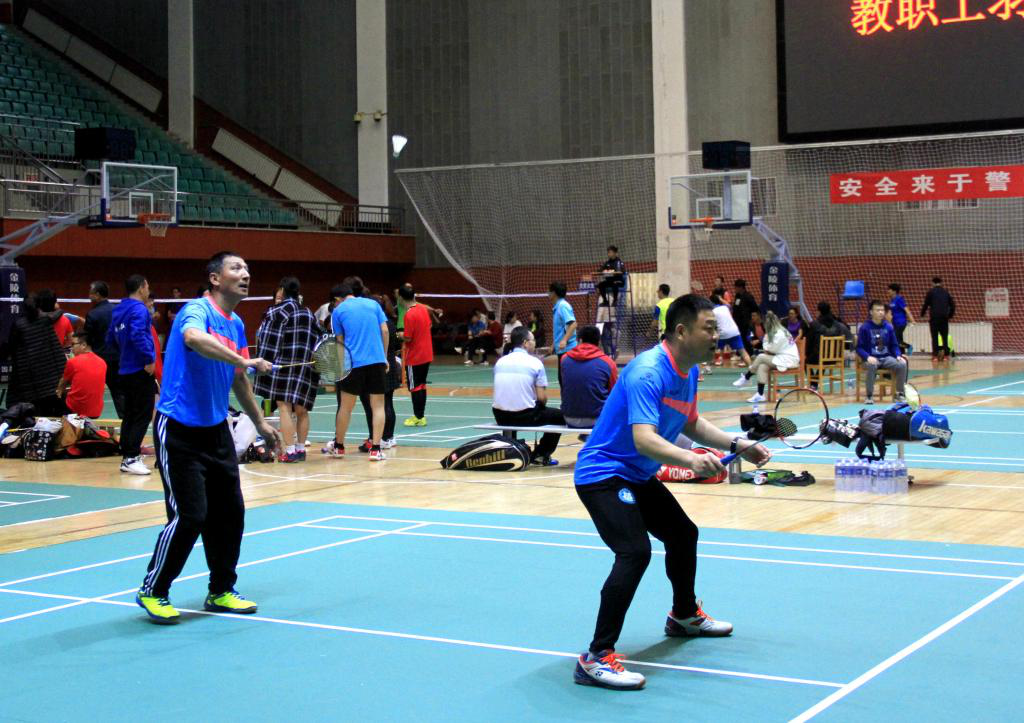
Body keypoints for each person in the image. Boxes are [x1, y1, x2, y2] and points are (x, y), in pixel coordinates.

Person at [572, 294, 770, 690]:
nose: (716, 336)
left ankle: (683, 616)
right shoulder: (648, 372)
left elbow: (691, 422)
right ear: (681, 331)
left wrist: (736, 443)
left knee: (683, 534)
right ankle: (595, 657)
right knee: (634, 551)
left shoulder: (689, 371)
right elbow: (644, 439)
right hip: (603, 474)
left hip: (635, 474)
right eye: (708, 329)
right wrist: (690, 460)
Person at [136, 251, 281, 624]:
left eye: (247, 268)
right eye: (236, 268)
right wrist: (241, 359)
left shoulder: (236, 324)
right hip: (178, 427)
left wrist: (261, 424)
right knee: (190, 516)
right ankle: (153, 590)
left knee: (231, 513)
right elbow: (193, 338)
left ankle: (221, 590)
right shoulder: (196, 310)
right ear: (215, 278)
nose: (245, 274)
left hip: (216, 429)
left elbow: (239, 379)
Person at [253, 277, 320, 463]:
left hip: (283, 366)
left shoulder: (277, 311)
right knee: (302, 410)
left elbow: (269, 340)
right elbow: (319, 340)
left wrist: (261, 364)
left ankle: (289, 451)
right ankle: (300, 449)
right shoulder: (309, 313)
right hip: (306, 367)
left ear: (282, 290)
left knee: (284, 407)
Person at [329, 280, 389, 461]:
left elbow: (339, 341)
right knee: (378, 406)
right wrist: (384, 356)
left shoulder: (338, 311)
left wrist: (340, 366)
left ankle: (339, 447)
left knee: (345, 407)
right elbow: (385, 331)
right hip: (376, 361)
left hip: (352, 364)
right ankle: (376, 450)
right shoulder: (373, 304)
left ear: (337, 299)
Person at [106, 275, 157, 476]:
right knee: (142, 414)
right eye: (147, 286)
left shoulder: (119, 309)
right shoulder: (139, 310)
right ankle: (132, 457)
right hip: (139, 369)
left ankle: (127, 456)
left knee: (130, 414)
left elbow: (110, 338)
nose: (148, 290)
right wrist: (148, 359)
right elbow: (138, 334)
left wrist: (124, 355)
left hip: (124, 370)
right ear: (142, 287)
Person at [491, 327, 564, 466]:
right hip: (525, 416)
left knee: (514, 407)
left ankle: (511, 448)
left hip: (499, 416)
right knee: (559, 416)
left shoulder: (500, 362)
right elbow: (542, 398)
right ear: (525, 343)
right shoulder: (535, 362)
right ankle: (541, 454)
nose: (535, 343)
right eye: (533, 340)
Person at [6, 289, 67, 416]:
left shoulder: (19, 324)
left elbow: (11, 347)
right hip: (50, 377)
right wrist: (59, 309)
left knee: (33, 411)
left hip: (29, 377)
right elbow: (56, 314)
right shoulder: (46, 319)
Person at [359, 296, 401, 450]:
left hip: (380, 365)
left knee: (377, 405)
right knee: (388, 403)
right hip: (390, 364)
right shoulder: (390, 323)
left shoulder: (377, 325)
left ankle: (378, 438)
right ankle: (388, 437)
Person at [732, 310, 800, 403]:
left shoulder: (779, 334)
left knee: (761, 357)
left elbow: (769, 349)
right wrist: (766, 340)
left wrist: (765, 338)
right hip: (783, 357)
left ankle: (747, 377)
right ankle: (760, 394)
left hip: (789, 360)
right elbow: (769, 349)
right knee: (762, 366)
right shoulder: (780, 331)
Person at [560, 325, 618, 428]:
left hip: (569, 418)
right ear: (598, 342)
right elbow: (614, 393)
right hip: (598, 419)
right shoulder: (608, 362)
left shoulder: (564, 359)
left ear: (580, 340)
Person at [84, 281, 124, 417]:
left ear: (97, 295)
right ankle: (124, 420)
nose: (89, 295)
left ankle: (89, 422)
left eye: (90, 293)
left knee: (92, 393)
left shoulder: (92, 314)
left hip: (99, 360)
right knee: (119, 392)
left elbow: (87, 339)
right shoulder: (118, 310)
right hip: (119, 358)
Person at [857, 299, 908, 404]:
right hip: (871, 359)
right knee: (871, 365)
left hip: (886, 358)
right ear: (871, 312)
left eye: (882, 310)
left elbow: (894, 345)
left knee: (902, 364)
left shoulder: (888, 327)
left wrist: (898, 355)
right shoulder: (865, 327)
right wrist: (867, 357)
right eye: (877, 310)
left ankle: (900, 394)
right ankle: (869, 396)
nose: (881, 312)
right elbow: (859, 348)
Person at [400, 285, 433, 427]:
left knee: (415, 387)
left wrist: (399, 335)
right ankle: (421, 416)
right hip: (427, 353)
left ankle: (418, 417)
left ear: (401, 298)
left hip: (415, 356)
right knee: (422, 385)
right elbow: (429, 325)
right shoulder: (423, 309)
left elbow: (408, 338)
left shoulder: (409, 314)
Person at [56, 331, 107, 418]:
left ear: (83, 345)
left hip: (76, 410)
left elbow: (63, 383)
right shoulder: (102, 362)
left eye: (73, 344)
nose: (71, 348)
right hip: (96, 411)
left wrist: (59, 391)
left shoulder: (73, 362)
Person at [805, 302, 851, 389]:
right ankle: (814, 383)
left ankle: (813, 383)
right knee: (824, 359)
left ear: (819, 311)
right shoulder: (838, 324)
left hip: (819, 357)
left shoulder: (814, 324)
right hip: (835, 358)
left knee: (806, 361)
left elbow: (809, 342)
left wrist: (807, 353)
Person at [711, 289, 751, 368]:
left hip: (723, 334)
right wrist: (720, 298)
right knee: (743, 352)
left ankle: (709, 367)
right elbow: (728, 304)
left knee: (713, 349)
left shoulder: (712, 311)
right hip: (735, 332)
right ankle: (751, 368)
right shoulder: (725, 307)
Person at [550, 281, 578, 386]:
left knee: (565, 381)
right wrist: (553, 345)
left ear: (553, 293)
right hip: (562, 350)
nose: (548, 293)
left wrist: (565, 340)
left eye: (549, 291)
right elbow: (561, 329)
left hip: (568, 350)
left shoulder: (563, 306)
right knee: (562, 379)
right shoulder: (558, 307)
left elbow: (573, 324)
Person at [920, 277, 954, 360]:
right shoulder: (946, 292)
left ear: (933, 283)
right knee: (944, 337)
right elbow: (953, 305)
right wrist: (949, 315)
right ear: (941, 283)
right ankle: (946, 356)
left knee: (934, 337)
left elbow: (926, 304)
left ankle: (935, 356)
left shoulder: (930, 292)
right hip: (944, 318)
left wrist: (922, 314)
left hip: (934, 318)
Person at [731, 279, 759, 356]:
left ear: (740, 287)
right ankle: (739, 353)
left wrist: (750, 318)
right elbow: (736, 307)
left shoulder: (748, 296)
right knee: (739, 337)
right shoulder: (737, 296)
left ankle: (749, 353)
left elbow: (755, 308)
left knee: (745, 338)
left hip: (745, 322)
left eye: (736, 287)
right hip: (738, 322)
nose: (735, 289)